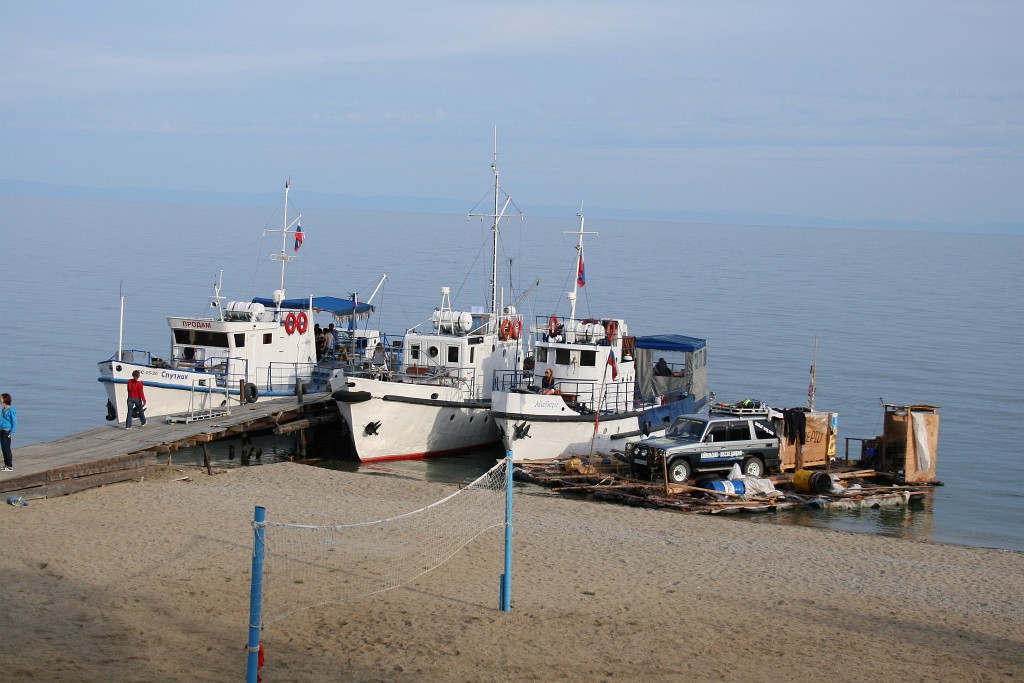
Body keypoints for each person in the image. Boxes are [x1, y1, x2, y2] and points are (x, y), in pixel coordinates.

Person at [0, 393, 16, 471]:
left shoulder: (11, 410)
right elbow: (1, 421)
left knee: (7, 449)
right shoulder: (3, 409)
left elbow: (15, 422)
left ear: (5, 399)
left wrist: (11, 432)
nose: (0, 399)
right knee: (3, 448)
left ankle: (10, 466)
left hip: (7, 431)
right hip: (2, 431)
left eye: (1, 398)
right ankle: (6, 465)